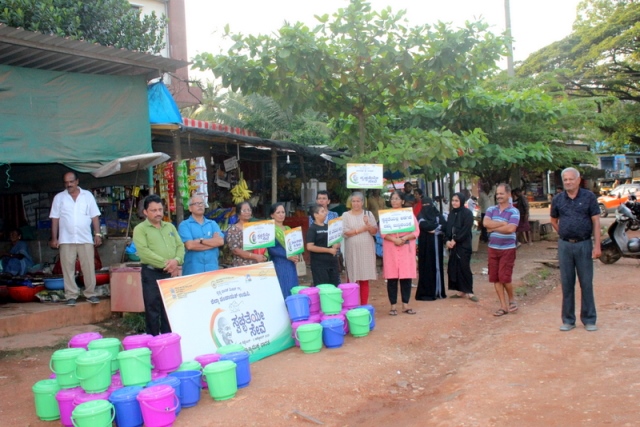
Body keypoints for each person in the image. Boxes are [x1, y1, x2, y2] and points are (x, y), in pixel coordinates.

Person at [550, 167, 601, 332]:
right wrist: (564, 234)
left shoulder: (589, 197)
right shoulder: (558, 199)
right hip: (565, 246)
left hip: (584, 245)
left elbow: (596, 222)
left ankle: (589, 319)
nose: (568, 182)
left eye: (571, 179)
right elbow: (553, 220)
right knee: (566, 283)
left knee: (586, 283)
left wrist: (597, 246)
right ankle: (568, 320)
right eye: (565, 180)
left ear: (578, 180)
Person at [132, 195, 185, 336]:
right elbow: (144, 252)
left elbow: (180, 246)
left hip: (170, 273)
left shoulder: (170, 226)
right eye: (154, 210)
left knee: (169, 308)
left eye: (160, 209)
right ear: (145, 212)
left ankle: (169, 339)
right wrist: (168, 264)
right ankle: (154, 340)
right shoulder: (140, 229)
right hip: (152, 273)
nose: (158, 213)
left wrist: (177, 260)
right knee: (153, 309)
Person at [49, 171, 102, 306]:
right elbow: (55, 219)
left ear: (77, 181)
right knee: (68, 268)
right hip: (66, 239)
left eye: (71, 182)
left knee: (89, 266)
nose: (69, 184)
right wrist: (54, 238)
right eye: (66, 182)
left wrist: (97, 234)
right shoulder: (59, 198)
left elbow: (94, 216)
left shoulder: (87, 196)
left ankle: (90, 293)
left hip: (85, 238)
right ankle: (71, 295)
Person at [483, 184, 520, 316]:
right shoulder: (491, 209)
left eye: (501, 193)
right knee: (495, 278)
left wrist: (493, 228)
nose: (498, 196)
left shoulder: (514, 211)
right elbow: (485, 223)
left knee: (504, 277)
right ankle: (503, 306)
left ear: (508, 194)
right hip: (492, 248)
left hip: (508, 249)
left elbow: (511, 229)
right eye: (497, 194)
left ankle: (512, 300)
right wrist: (502, 224)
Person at [382, 190, 419, 315]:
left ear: (402, 201)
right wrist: (394, 240)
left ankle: (405, 304)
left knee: (406, 277)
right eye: (392, 198)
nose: (394, 201)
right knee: (392, 278)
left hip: (405, 248)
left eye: (397, 198)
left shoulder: (409, 215)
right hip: (391, 248)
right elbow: (383, 233)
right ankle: (393, 306)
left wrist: (404, 238)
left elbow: (416, 232)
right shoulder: (386, 216)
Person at [342, 192, 377, 304]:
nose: (356, 203)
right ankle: (351, 304)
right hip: (352, 250)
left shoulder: (368, 214)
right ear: (350, 202)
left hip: (366, 250)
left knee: (364, 278)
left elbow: (374, 232)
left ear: (362, 202)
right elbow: (345, 232)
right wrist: (361, 229)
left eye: (358, 201)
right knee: (352, 277)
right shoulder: (345, 215)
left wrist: (368, 224)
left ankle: (364, 305)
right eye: (353, 201)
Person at [178, 195, 224, 275]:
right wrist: (213, 243)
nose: (200, 205)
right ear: (190, 208)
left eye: (201, 203)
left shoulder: (212, 224)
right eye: (196, 203)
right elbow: (190, 245)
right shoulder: (184, 225)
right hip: (193, 270)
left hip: (212, 269)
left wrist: (201, 241)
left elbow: (220, 241)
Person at [445, 192, 478, 302]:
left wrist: (455, 240)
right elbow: (447, 229)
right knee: (455, 268)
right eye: (453, 200)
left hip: (463, 245)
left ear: (462, 201)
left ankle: (469, 291)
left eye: (456, 201)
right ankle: (461, 290)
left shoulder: (467, 213)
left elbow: (465, 229)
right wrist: (447, 241)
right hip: (453, 246)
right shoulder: (451, 214)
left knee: (464, 267)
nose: (454, 203)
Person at [415, 198, 447, 301]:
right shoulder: (420, 216)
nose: (426, 206)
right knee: (426, 267)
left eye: (428, 204)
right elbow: (424, 225)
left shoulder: (438, 215)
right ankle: (426, 292)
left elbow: (445, 226)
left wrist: (434, 229)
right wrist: (436, 227)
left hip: (437, 246)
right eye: (424, 204)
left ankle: (438, 291)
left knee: (437, 267)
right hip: (425, 247)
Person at [267, 202, 299, 298]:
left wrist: (296, 255)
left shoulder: (288, 228)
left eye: (283, 212)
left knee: (293, 286)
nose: (281, 215)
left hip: (291, 262)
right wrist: (287, 255)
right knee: (284, 287)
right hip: (279, 263)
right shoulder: (270, 229)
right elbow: (271, 249)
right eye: (278, 212)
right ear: (272, 215)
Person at [306, 204, 341, 286]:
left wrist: (336, 244)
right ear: (315, 215)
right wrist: (328, 250)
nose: (325, 213)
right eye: (322, 211)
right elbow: (310, 246)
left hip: (332, 263)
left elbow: (337, 241)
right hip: (319, 264)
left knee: (335, 286)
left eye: (325, 211)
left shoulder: (329, 227)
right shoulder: (312, 229)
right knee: (323, 288)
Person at [225, 201, 268, 267]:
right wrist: (255, 256)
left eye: (249, 210)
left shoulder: (255, 228)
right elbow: (236, 250)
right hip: (241, 265)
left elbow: (263, 244)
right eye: (244, 210)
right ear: (238, 213)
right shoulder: (233, 229)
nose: (247, 212)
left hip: (257, 265)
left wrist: (264, 256)